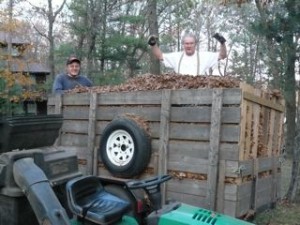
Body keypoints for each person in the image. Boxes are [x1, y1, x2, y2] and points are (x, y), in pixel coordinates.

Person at [148, 33, 227, 76]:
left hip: (200, 94)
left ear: (195, 44)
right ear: (183, 44)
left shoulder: (204, 56)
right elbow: (160, 56)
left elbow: (222, 55)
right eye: (186, 43)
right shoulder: (176, 57)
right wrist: (153, 44)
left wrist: (222, 43)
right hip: (180, 94)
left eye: (191, 43)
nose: (189, 46)